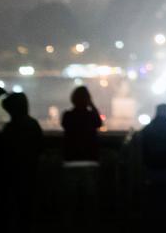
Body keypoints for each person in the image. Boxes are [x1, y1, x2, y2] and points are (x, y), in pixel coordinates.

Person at [1, 92, 43, 232]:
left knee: (9, 209)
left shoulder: (10, 128)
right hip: (30, 172)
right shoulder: (33, 125)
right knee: (26, 209)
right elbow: (39, 147)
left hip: (10, 174)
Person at [60, 86, 102, 226]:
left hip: (70, 162)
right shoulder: (91, 116)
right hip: (90, 162)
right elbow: (99, 122)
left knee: (70, 202)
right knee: (89, 202)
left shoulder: (67, 115)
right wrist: (92, 105)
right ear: (87, 100)